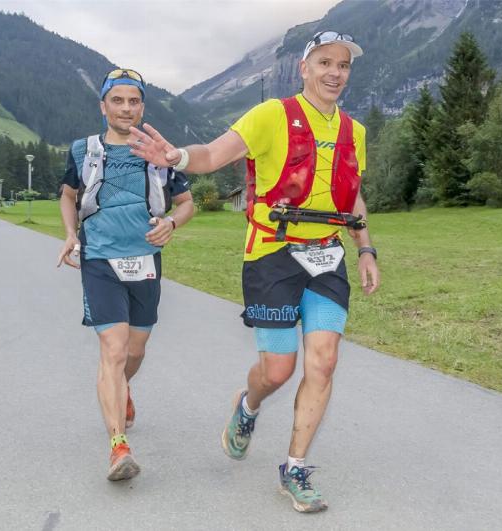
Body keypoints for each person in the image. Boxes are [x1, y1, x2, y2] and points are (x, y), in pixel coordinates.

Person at [129, 30, 379, 513]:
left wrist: (366, 248)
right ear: (304, 68)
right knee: (279, 369)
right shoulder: (271, 116)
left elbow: (353, 196)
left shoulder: (355, 131)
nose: (334, 73)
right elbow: (213, 154)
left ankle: (296, 467)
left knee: (323, 362)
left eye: (343, 65)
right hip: (273, 255)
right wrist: (177, 157)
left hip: (327, 254)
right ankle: (248, 406)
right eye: (325, 62)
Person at [57, 68, 194, 481]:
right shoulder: (83, 150)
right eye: (117, 100)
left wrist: (172, 222)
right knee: (113, 351)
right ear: (103, 106)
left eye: (133, 101)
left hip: (145, 261)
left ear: (142, 107)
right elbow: (67, 195)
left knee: (134, 352)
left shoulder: (160, 152)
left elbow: (186, 203)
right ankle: (118, 446)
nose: (126, 108)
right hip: (99, 260)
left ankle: (122, 388)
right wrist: (68, 235)